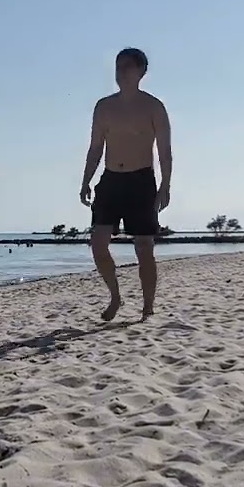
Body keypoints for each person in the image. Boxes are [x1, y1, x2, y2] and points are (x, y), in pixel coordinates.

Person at [80, 47, 172, 321]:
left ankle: (147, 306)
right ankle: (116, 297)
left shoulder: (153, 106)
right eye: (118, 66)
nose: (120, 72)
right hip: (110, 180)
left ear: (141, 71)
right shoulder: (104, 106)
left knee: (144, 246)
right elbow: (95, 147)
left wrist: (165, 185)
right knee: (98, 244)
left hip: (141, 179)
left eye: (127, 66)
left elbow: (165, 150)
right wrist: (86, 180)